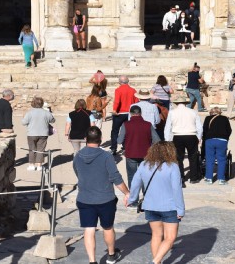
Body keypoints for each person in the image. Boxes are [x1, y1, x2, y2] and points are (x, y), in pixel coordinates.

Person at [73, 127, 129, 264]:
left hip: (85, 198)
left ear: (85, 139)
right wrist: (127, 192)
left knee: (89, 229)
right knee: (108, 227)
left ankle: (92, 261)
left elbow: (78, 173)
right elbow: (115, 177)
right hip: (105, 199)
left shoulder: (77, 156)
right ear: (100, 139)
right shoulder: (106, 156)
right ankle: (111, 255)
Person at [128, 141, 185, 264]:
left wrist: (132, 199)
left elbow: (135, 183)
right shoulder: (173, 166)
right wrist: (181, 209)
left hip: (150, 206)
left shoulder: (144, 165)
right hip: (169, 207)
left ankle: (156, 262)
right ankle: (156, 261)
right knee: (170, 238)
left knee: (156, 235)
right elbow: (177, 189)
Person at [119, 106, 161, 186]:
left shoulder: (126, 124)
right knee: (145, 176)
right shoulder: (148, 124)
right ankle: (146, 195)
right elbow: (157, 140)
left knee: (132, 176)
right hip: (146, 154)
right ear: (141, 113)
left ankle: (133, 197)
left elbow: (119, 140)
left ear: (130, 114)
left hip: (130, 154)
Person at [164, 103, 203, 185]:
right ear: (186, 103)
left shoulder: (172, 112)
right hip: (191, 135)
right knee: (193, 157)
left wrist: (167, 140)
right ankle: (193, 177)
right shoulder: (193, 111)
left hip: (177, 136)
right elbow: (199, 126)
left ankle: (181, 177)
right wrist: (199, 137)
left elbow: (168, 127)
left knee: (178, 158)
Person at [21, 97, 55, 170]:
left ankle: (31, 165)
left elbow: (24, 123)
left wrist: (23, 117)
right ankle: (39, 165)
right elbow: (53, 120)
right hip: (43, 133)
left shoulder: (29, 113)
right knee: (41, 149)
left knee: (32, 149)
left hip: (31, 133)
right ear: (42, 104)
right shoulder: (46, 112)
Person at [202, 107, 232, 185]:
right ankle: (221, 179)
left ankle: (209, 178)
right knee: (221, 160)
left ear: (211, 112)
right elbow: (229, 130)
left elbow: (204, 130)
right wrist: (226, 138)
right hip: (222, 140)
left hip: (210, 140)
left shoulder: (208, 118)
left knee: (209, 159)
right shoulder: (225, 118)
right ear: (220, 112)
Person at [110, 75, 138, 155]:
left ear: (119, 82)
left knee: (115, 131)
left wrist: (115, 110)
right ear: (128, 81)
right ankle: (126, 147)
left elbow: (117, 101)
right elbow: (136, 101)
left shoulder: (118, 90)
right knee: (128, 131)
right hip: (129, 113)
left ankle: (113, 148)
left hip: (120, 113)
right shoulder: (133, 90)